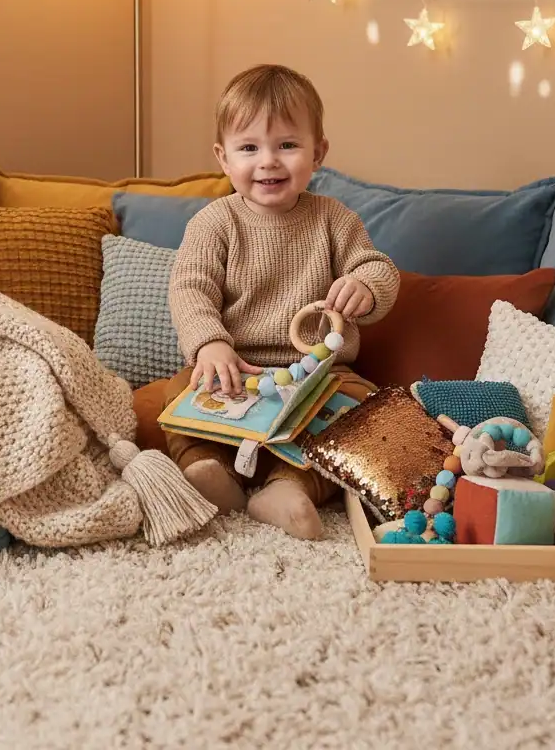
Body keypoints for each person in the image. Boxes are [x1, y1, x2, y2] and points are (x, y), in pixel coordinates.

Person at [166, 64, 400, 539]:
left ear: (319, 153)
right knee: (178, 397)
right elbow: (190, 288)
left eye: (287, 145)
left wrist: (365, 285)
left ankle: (290, 489)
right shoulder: (215, 223)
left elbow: (378, 266)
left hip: (318, 373)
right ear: (223, 158)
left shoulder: (334, 219)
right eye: (249, 148)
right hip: (238, 369)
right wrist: (210, 344)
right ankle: (212, 474)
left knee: (365, 414)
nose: (268, 161)